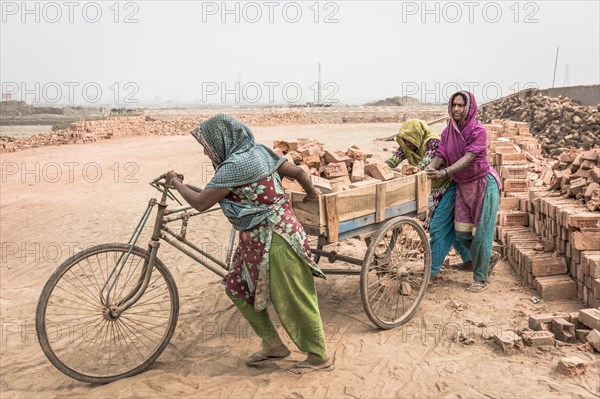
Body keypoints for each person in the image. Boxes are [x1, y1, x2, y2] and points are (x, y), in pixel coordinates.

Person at [165, 114, 334, 374]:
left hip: (276, 239)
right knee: (236, 288)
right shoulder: (261, 152)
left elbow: (200, 203)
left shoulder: (232, 168)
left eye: (207, 145)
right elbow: (299, 172)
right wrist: (312, 194)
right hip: (257, 240)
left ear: (222, 140)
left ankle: (319, 356)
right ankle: (273, 345)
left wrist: (175, 182)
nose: (206, 150)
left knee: (294, 298)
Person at [426, 91, 501, 293]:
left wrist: (445, 172)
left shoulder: (478, 131)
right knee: (461, 233)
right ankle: (488, 257)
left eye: (461, 105)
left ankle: (480, 279)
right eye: (454, 105)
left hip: (483, 185)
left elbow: (468, 158)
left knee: (481, 234)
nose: (457, 109)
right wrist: (431, 169)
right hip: (462, 185)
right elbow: (441, 153)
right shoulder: (447, 131)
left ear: (469, 108)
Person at [385, 119, 471, 278]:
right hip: (432, 190)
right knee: (447, 227)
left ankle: (430, 271)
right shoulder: (408, 146)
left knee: (438, 227)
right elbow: (394, 159)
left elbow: (427, 161)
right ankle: (470, 259)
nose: (407, 144)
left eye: (409, 140)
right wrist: (380, 167)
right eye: (404, 141)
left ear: (417, 135)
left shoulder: (432, 142)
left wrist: (415, 169)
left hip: (448, 186)